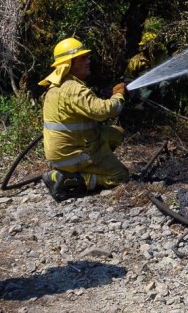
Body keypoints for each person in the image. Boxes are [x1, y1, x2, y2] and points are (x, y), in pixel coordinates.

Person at [38, 37, 129, 201]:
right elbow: (104, 111)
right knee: (121, 176)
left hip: (62, 152)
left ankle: (89, 167)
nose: (88, 61)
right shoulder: (73, 89)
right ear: (69, 63)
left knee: (117, 133)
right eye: (82, 58)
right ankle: (71, 178)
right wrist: (118, 96)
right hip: (74, 154)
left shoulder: (58, 86)